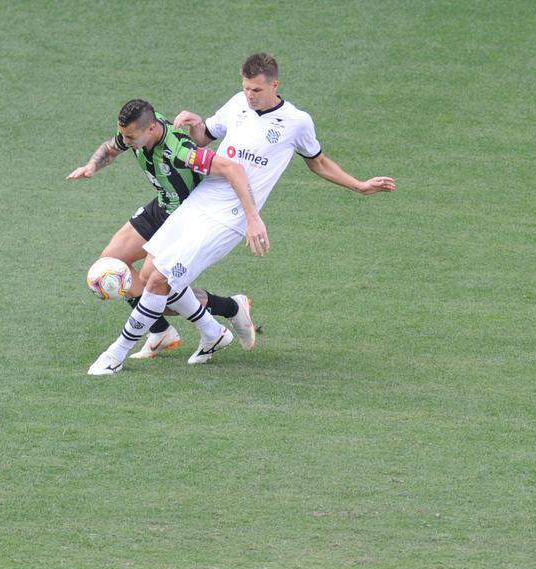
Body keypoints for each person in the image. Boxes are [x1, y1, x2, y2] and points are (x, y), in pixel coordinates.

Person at [87, 53, 396, 375]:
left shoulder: (296, 122)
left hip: (229, 217)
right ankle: (214, 329)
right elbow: (205, 137)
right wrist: (195, 125)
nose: (250, 96)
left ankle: (115, 355)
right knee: (151, 274)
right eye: (246, 88)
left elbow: (317, 162)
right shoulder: (238, 104)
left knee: (160, 280)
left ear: (274, 85)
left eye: (257, 91)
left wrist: (357, 186)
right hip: (199, 201)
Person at [68, 99, 257, 359]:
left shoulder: (179, 149)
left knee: (156, 289)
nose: (125, 141)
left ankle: (230, 307)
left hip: (185, 218)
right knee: (111, 263)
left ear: (152, 129)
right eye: (124, 135)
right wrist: (92, 166)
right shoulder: (138, 129)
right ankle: (159, 331)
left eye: (130, 137)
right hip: (162, 206)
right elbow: (111, 149)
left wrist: (251, 217)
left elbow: (228, 168)